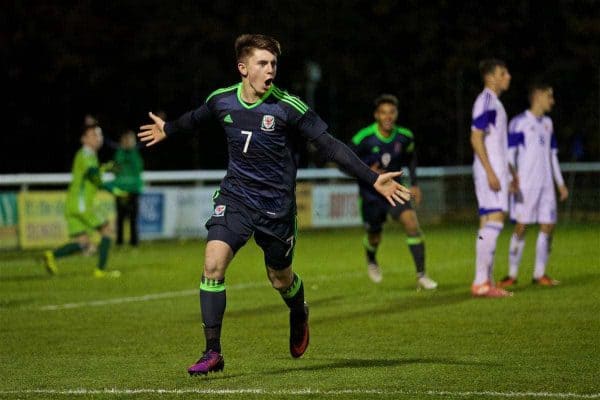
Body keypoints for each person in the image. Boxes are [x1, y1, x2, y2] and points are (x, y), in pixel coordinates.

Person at [138, 34, 411, 376]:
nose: (270, 71)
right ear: (243, 68)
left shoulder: (287, 107)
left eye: (273, 64)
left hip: (276, 207)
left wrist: (373, 179)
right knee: (212, 265)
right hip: (236, 197)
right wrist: (168, 129)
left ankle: (298, 310)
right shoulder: (222, 101)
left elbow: (330, 146)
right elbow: (194, 119)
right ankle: (212, 351)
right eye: (262, 64)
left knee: (279, 278)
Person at [351, 94, 437, 290]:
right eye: (383, 113)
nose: (388, 117)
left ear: (396, 114)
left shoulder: (405, 136)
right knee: (374, 236)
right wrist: (366, 170)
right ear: (376, 115)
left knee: (411, 224)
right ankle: (371, 258)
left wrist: (414, 183)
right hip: (371, 195)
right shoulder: (363, 138)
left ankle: (421, 275)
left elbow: (411, 158)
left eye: (391, 112)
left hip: (394, 191)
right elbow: (345, 161)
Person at [498, 83, 568, 288]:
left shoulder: (548, 123)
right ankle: (511, 274)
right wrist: (511, 179)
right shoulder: (519, 122)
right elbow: (509, 155)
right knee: (522, 226)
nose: (552, 101)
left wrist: (560, 183)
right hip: (525, 185)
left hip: (546, 185)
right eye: (549, 97)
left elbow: (552, 155)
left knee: (548, 225)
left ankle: (540, 274)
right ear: (537, 96)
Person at [43, 125, 123, 278]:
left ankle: (51, 255)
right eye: (93, 135)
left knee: (84, 243)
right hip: (82, 205)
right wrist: (111, 187)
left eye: (99, 135)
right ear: (83, 139)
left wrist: (105, 168)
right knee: (107, 230)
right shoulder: (86, 154)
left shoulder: (89, 156)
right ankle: (100, 270)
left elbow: (93, 175)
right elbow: (93, 175)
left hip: (72, 204)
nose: (98, 138)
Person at [470, 59, 514, 298]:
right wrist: (489, 171)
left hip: (496, 170)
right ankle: (481, 282)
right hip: (490, 171)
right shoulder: (486, 100)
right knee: (495, 220)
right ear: (491, 77)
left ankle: (485, 280)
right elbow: (476, 137)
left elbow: (497, 143)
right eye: (503, 72)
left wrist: (511, 173)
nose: (508, 76)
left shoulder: (495, 103)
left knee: (486, 224)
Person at [112, 130, 144, 247]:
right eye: (126, 139)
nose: (128, 142)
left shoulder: (135, 153)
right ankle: (119, 242)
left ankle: (134, 242)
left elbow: (138, 167)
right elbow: (116, 167)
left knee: (133, 218)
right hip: (120, 191)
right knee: (120, 218)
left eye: (131, 139)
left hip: (134, 190)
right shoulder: (119, 153)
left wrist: (130, 152)